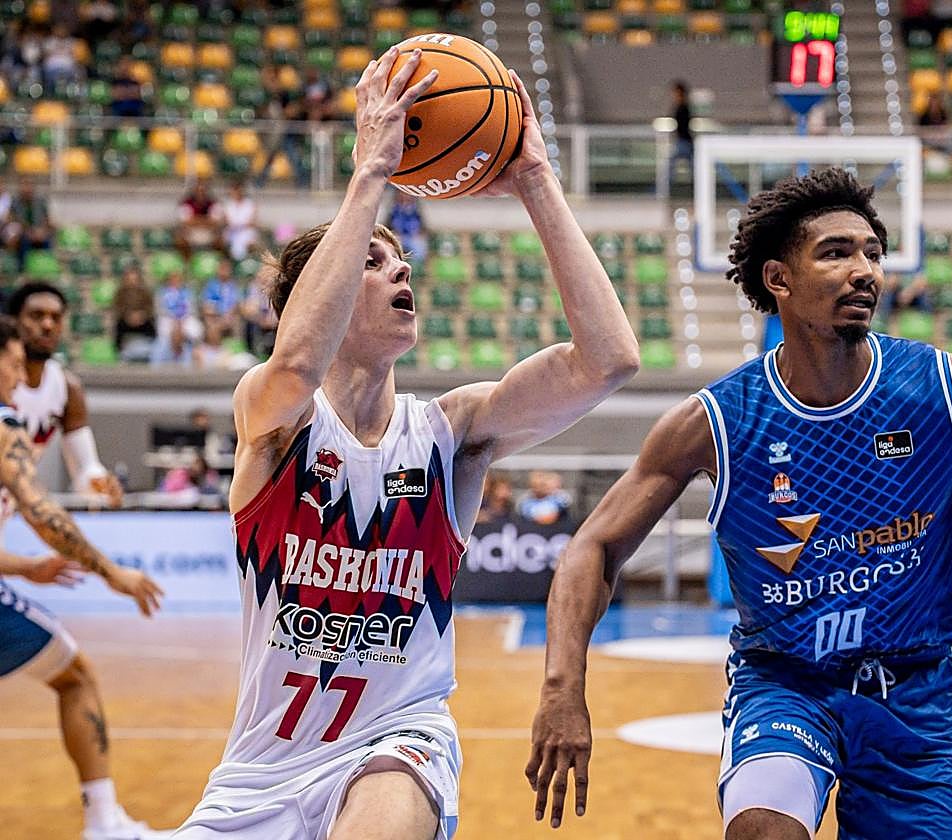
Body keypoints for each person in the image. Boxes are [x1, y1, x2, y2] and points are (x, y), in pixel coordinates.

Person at [527, 169, 952, 839]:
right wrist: (562, 690)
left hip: (914, 695)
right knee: (765, 830)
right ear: (778, 280)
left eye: (872, 253)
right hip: (786, 683)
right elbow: (596, 546)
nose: (864, 270)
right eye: (835, 252)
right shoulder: (717, 421)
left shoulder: (947, 390)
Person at [173, 49, 639, 840]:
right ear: (314, 296)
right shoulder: (274, 413)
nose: (401, 268)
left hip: (397, 744)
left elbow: (609, 361)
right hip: (257, 771)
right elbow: (293, 362)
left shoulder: (448, 433)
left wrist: (534, 179)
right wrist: (371, 172)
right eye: (373, 259)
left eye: (400, 256)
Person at [0, 314, 167, 840]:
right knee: (76, 676)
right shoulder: (6, 424)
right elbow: (39, 509)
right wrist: (112, 571)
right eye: (9, 360)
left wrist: (26, 568)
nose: (15, 373)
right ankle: (104, 823)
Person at [7, 282, 124, 505]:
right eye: (36, 316)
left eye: (56, 317)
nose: (48, 325)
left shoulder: (66, 387)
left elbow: (84, 469)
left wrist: (99, 483)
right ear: (13, 322)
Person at [2, 176, 53, 270]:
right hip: (23, 233)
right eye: (24, 185)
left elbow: (47, 220)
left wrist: (43, 231)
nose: (27, 188)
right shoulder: (15, 202)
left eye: (29, 185)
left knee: (47, 240)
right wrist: (28, 231)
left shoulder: (40, 201)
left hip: (39, 232)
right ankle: (23, 268)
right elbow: (11, 220)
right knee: (24, 241)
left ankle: (47, 266)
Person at [112, 265, 156, 359]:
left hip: (143, 319)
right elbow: (118, 307)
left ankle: (152, 347)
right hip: (126, 319)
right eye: (130, 279)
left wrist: (142, 315)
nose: (132, 282)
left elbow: (150, 307)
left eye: (135, 279)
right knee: (119, 324)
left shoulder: (145, 293)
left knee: (152, 323)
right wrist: (128, 316)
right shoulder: (120, 293)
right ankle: (120, 351)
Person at [174, 179, 224, 261]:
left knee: (221, 240)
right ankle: (187, 263)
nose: (200, 193)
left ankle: (218, 262)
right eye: (198, 190)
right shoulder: (186, 203)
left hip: (209, 232)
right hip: (191, 232)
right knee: (179, 240)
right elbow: (186, 222)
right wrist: (206, 220)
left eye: (202, 190)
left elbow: (215, 222)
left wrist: (195, 219)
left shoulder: (213, 203)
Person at [220, 180, 258, 261]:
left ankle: (247, 262)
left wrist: (239, 224)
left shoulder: (249, 204)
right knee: (222, 242)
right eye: (234, 190)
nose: (236, 192)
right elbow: (226, 221)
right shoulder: (228, 205)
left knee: (251, 243)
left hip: (246, 231)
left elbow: (252, 222)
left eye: (238, 190)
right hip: (232, 232)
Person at [668, 80, 693, 191]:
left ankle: (667, 187)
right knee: (691, 165)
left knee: (672, 163)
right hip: (683, 140)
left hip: (684, 141)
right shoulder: (682, 107)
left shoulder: (683, 107)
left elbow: (683, 125)